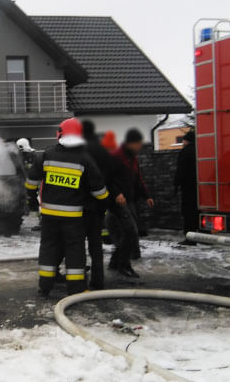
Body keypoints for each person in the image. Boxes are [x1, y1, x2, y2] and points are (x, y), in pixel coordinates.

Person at [27, 118, 108, 295]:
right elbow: (99, 191)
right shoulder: (84, 159)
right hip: (73, 218)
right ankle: (76, 289)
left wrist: (32, 200)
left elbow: (31, 181)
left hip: (48, 215)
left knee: (48, 247)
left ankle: (45, 286)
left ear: (59, 134)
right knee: (74, 250)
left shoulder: (46, 155)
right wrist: (103, 205)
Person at [107, 128, 154, 278]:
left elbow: (138, 179)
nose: (140, 146)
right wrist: (116, 194)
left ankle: (115, 262)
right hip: (118, 203)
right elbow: (106, 178)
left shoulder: (132, 158)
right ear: (130, 143)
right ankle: (124, 265)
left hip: (130, 201)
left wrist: (146, 195)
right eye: (138, 143)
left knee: (126, 233)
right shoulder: (116, 156)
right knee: (130, 232)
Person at [81, 120, 116, 290]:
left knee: (78, 245)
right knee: (96, 246)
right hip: (99, 203)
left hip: (80, 205)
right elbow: (110, 175)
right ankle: (98, 280)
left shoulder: (79, 151)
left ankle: (79, 278)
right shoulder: (103, 150)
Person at [174, 129, 198, 245]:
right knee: (196, 212)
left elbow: (181, 170)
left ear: (186, 141)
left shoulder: (185, 152)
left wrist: (176, 185)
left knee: (188, 213)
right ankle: (201, 236)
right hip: (199, 188)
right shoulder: (199, 151)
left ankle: (190, 238)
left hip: (188, 188)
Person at [17, 137, 40, 214]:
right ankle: (28, 211)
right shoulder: (22, 155)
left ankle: (34, 211)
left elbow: (33, 169)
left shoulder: (32, 155)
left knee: (32, 198)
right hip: (25, 182)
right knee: (27, 198)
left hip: (32, 182)